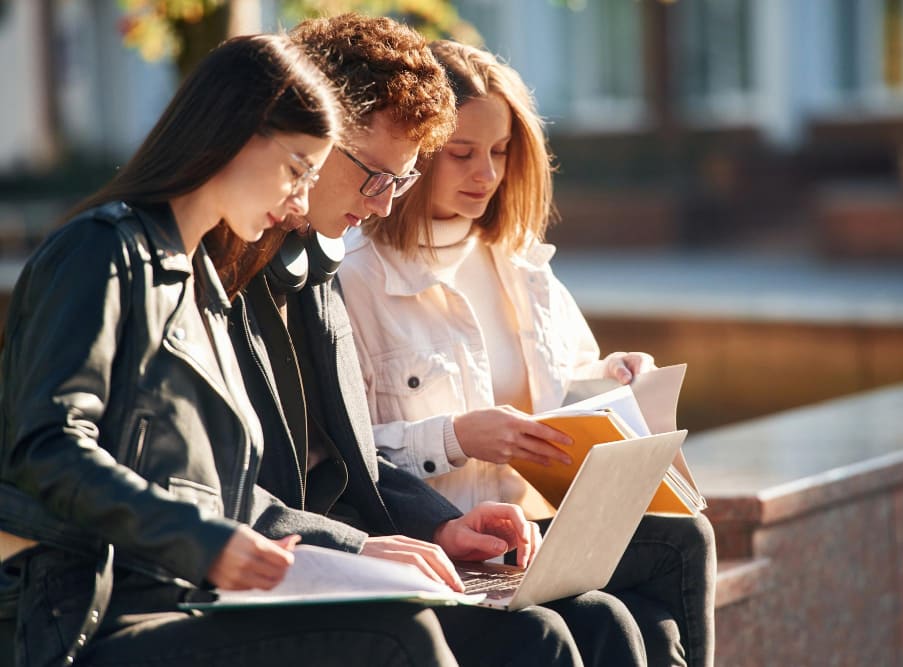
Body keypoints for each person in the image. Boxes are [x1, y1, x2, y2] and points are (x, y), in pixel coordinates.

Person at [0, 33, 461, 667]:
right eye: (297, 170)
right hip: (85, 618)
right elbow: (47, 446)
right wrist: (204, 540)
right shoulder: (101, 251)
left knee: (414, 624)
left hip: (186, 601)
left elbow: (224, 491)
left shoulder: (208, 287)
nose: (300, 201)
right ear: (235, 135)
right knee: (398, 636)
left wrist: (341, 556)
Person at [206, 14, 645, 667]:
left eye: (399, 180)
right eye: (372, 175)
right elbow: (210, 486)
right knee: (538, 637)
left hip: (366, 545)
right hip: (278, 573)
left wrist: (437, 525)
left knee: (608, 617)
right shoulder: (243, 273)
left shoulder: (311, 270)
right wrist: (369, 540)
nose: (381, 204)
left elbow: (344, 457)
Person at [337, 40, 718, 667]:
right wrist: (457, 437)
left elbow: (565, 385)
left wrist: (614, 378)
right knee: (623, 622)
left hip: (539, 529)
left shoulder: (519, 260)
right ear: (416, 151)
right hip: (451, 535)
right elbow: (342, 454)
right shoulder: (355, 276)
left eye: (500, 151)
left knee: (679, 547)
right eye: (461, 153)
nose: (486, 174)